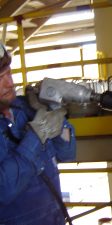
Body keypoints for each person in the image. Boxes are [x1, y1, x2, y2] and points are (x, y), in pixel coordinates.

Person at [0, 42, 76, 225]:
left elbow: (68, 153)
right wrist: (35, 137)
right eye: (0, 78)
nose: (10, 83)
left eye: (9, 73)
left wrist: (55, 111)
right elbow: (3, 190)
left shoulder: (26, 107)